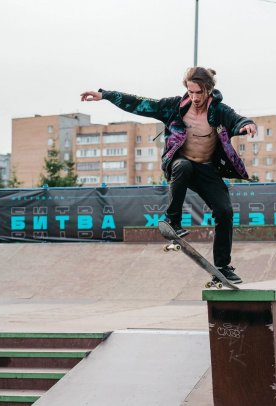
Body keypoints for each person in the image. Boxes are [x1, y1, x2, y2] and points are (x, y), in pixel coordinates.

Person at [81, 67, 257, 284]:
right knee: (184, 166)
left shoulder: (220, 112)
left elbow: (238, 120)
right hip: (180, 164)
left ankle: (222, 267)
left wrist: (247, 125)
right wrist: (105, 95)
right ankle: (173, 220)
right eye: (191, 92)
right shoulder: (174, 107)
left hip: (206, 169)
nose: (195, 98)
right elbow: (139, 103)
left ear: (209, 90)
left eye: (199, 93)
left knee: (225, 212)